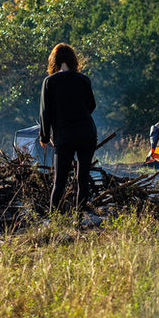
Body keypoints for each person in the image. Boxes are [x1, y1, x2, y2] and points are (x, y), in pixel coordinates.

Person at [39, 43, 97, 212]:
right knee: (82, 179)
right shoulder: (83, 79)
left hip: (64, 137)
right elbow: (91, 106)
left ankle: (54, 221)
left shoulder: (49, 82)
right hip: (87, 134)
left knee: (60, 182)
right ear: (73, 60)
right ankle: (77, 220)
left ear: (54, 61)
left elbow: (45, 113)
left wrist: (44, 137)